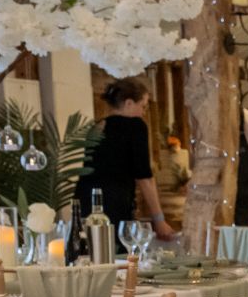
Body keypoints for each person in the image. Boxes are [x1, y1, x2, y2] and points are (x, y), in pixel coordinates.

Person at [74, 77, 176, 240]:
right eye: (143, 106)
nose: (143, 112)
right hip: (113, 203)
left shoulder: (98, 126)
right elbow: (144, 177)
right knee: (117, 253)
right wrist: (159, 219)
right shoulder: (135, 126)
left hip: (85, 200)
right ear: (129, 103)